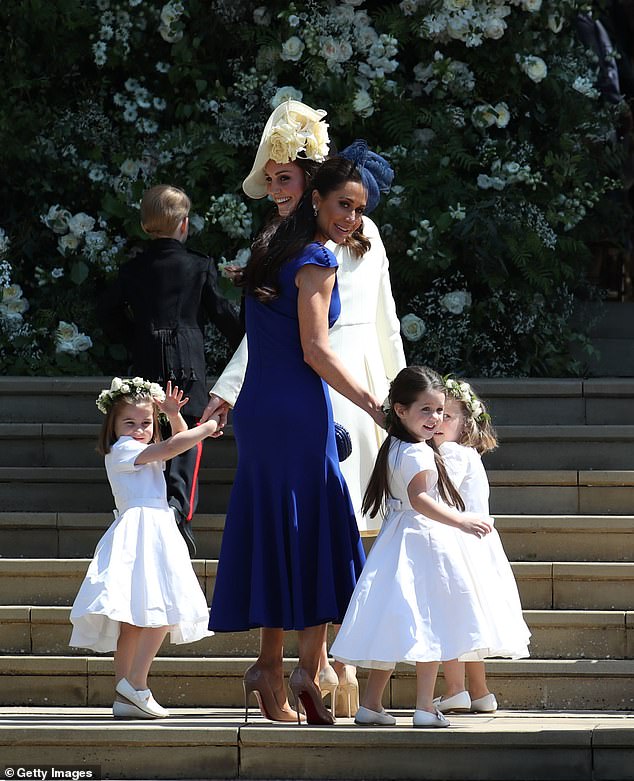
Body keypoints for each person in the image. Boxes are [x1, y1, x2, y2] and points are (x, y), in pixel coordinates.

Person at [205, 99, 405, 716]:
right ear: (318, 197)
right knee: (316, 530)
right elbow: (317, 351)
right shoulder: (316, 258)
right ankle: (304, 674)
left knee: (280, 529)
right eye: (344, 205)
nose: (353, 218)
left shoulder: (272, 245)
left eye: (360, 209)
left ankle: (275, 668)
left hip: (267, 408)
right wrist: (379, 406)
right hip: (300, 404)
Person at [330, 366, 496, 728]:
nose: (435, 418)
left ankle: (371, 704)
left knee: (394, 620)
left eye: (439, 411)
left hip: (397, 539)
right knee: (430, 622)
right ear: (400, 410)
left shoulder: (395, 445)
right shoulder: (418, 452)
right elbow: (420, 499)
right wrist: (462, 520)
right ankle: (424, 706)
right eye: (426, 410)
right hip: (424, 540)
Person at [97, 184, 243, 554]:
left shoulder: (133, 268)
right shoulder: (198, 264)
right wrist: (252, 331)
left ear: (147, 224)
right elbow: (222, 314)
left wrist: (134, 338)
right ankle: (179, 509)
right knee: (187, 435)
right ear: (183, 224)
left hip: (146, 360)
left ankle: (159, 506)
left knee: (150, 431)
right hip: (188, 362)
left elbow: (107, 313)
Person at [69, 377, 223, 719]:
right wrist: (208, 425)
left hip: (152, 528)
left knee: (136, 622)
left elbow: (177, 444)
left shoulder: (142, 449)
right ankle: (136, 683)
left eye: (146, 423)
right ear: (114, 425)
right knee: (162, 609)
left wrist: (173, 415)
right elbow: (172, 448)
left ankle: (125, 697)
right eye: (130, 423)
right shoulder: (124, 450)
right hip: (143, 530)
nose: (139, 429)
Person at [432, 378, 531, 714]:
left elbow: (439, 496)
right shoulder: (467, 454)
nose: (438, 421)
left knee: (452, 618)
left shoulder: (451, 453)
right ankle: (480, 691)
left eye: (448, 416)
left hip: (458, 544)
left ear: (465, 425)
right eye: (434, 413)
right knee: (470, 621)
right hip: (476, 546)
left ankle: (456, 688)